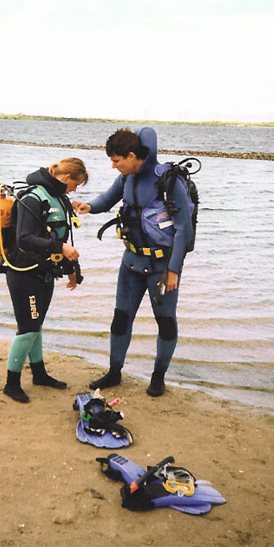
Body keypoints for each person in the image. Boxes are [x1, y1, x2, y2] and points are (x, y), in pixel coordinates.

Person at [74, 127, 193, 397]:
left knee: (165, 322)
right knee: (120, 319)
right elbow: (107, 199)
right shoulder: (127, 178)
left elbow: (184, 230)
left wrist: (173, 271)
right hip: (131, 263)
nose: (113, 165)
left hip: (162, 269)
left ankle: (158, 377)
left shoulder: (169, 181)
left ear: (131, 155)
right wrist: (88, 206)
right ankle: (115, 372)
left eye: (116, 160)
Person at [3, 157, 88, 403]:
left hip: (45, 272)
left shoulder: (60, 199)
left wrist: (72, 269)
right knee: (27, 329)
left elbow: (63, 235)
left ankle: (39, 374)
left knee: (36, 326)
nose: (74, 190)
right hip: (23, 273)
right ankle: (11, 383)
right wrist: (60, 248)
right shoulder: (33, 197)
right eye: (76, 184)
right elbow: (24, 239)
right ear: (66, 177)